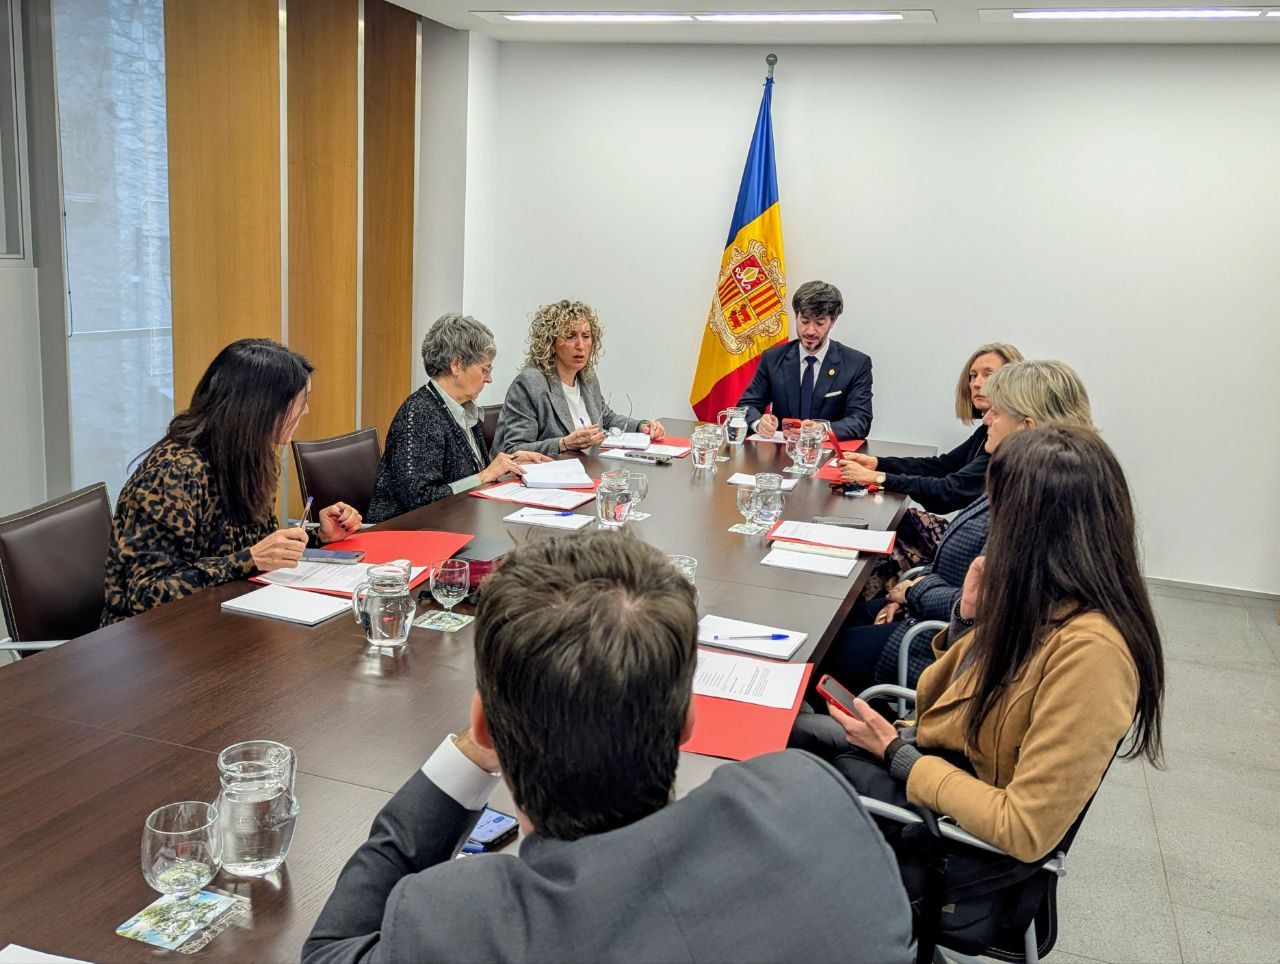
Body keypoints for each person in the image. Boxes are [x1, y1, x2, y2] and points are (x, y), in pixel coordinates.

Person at [303, 532, 914, 964]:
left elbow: (331, 950)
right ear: (689, 721)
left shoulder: (455, 927)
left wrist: (467, 755)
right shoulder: (813, 804)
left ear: (485, 728)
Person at [804, 426, 1165, 868]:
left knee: (781, 774)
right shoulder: (1043, 601)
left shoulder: (1094, 656)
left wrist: (898, 756)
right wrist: (968, 621)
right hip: (931, 768)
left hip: (952, 846)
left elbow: (1024, 829)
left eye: (1003, 513)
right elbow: (946, 704)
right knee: (790, 729)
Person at [820, 359, 1094, 695]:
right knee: (835, 623)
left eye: (996, 412)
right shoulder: (1017, 480)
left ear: (1027, 426)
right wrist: (910, 594)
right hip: (933, 617)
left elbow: (986, 603)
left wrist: (912, 592)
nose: (987, 419)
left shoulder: (1033, 507)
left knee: (823, 653)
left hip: (951, 648)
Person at [102, 339, 362, 625]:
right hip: (155, 640)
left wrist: (317, 536)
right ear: (260, 408)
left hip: (222, 616)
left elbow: (254, 549)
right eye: (298, 402)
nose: (305, 411)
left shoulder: (248, 454)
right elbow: (141, 594)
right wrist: (249, 560)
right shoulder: (175, 472)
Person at [367, 314, 550, 523]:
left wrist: (511, 463)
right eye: (485, 369)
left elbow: (470, 473)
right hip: (407, 533)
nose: (489, 379)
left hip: (454, 523)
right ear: (456, 365)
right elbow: (419, 500)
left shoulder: (463, 408)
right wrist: (485, 476)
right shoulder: (419, 415)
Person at [838, 342, 1023, 514]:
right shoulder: (986, 431)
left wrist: (877, 477)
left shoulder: (1006, 439)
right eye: (973, 376)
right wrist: (877, 463)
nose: (976, 383)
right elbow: (942, 466)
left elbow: (947, 491)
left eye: (988, 374)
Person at [491, 299, 665, 456]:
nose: (580, 346)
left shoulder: (587, 377)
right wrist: (564, 443)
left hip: (581, 470)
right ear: (551, 343)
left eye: (586, 336)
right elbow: (514, 449)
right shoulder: (530, 382)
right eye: (570, 336)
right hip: (535, 480)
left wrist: (641, 426)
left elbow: (605, 418)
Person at [738, 279, 873, 440]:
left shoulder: (856, 364)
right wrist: (758, 422)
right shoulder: (773, 358)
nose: (810, 331)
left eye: (820, 323)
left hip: (828, 456)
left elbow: (860, 420)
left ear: (832, 322)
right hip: (783, 453)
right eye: (804, 321)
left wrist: (823, 429)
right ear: (796, 316)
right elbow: (746, 406)